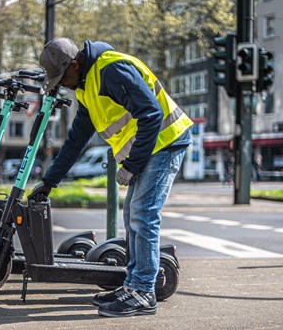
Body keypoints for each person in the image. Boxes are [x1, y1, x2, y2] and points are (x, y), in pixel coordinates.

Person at [29, 38, 193, 317]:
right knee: (133, 215)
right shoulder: (87, 86)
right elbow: (76, 140)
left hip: (166, 142)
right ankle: (133, 286)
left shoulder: (111, 70)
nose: (63, 85)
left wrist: (132, 165)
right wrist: (49, 181)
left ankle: (143, 292)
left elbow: (152, 114)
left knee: (143, 214)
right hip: (152, 147)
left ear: (75, 64)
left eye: (62, 78)